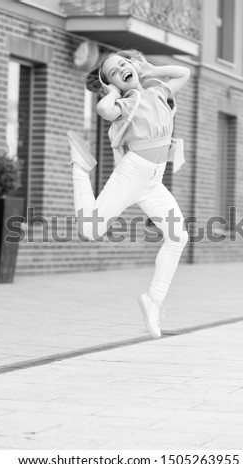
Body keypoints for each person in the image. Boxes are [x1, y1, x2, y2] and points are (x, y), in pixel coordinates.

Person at [67, 49, 190, 339]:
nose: (121, 68)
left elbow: (184, 72)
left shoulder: (158, 90)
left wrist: (152, 70)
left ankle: (153, 301)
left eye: (124, 63)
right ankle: (80, 167)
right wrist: (110, 90)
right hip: (134, 172)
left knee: (178, 236)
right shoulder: (126, 102)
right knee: (90, 229)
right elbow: (103, 110)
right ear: (114, 84)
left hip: (153, 179)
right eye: (113, 72)